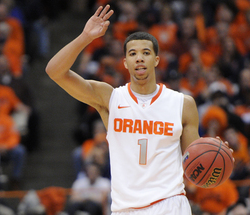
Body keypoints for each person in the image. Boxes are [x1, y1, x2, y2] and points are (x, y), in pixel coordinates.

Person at [46, 5, 202, 214]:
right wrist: (85, 37)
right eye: (132, 53)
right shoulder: (110, 98)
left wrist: (215, 155)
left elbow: (196, 166)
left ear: (156, 60)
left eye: (146, 53)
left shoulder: (183, 104)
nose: (139, 58)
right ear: (125, 62)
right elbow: (54, 71)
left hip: (170, 204)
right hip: (125, 209)